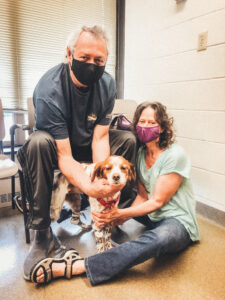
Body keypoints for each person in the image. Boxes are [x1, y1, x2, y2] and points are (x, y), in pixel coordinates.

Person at [29, 101, 200, 285]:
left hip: (176, 220)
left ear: (163, 127)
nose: (145, 126)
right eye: (142, 122)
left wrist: (120, 214)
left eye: (152, 123)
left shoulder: (175, 155)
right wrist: (118, 218)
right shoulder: (141, 154)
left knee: (158, 239)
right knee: (121, 197)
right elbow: (142, 196)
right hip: (151, 215)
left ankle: (80, 265)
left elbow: (157, 201)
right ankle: (93, 221)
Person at [17, 25, 136, 281]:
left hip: (86, 143)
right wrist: (91, 188)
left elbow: (101, 136)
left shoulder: (107, 85)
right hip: (57, 148)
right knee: (37, 143)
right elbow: (64, 155)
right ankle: (42, 234)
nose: (92, 65)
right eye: (84, 58)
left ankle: (110, 218)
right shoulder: (50, 89)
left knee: (126, 138)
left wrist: (102, 176)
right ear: (69, 55)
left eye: (99, 60)